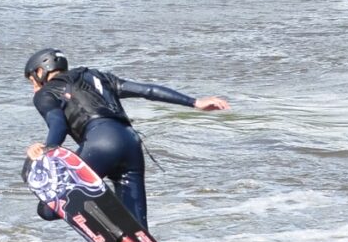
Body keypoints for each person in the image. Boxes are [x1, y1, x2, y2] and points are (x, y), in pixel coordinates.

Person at [23, 48, 230, 230]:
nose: (33, 86)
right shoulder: (99, 77)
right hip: (130, 142)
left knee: (48, 209)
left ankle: (103, 215)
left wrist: (47, 152)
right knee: (139, 232)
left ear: (40, 72)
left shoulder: (45, 93)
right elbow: (147, 90)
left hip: (100, 143)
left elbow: (57, 122)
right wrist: (195, 102)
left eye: (32, 80)